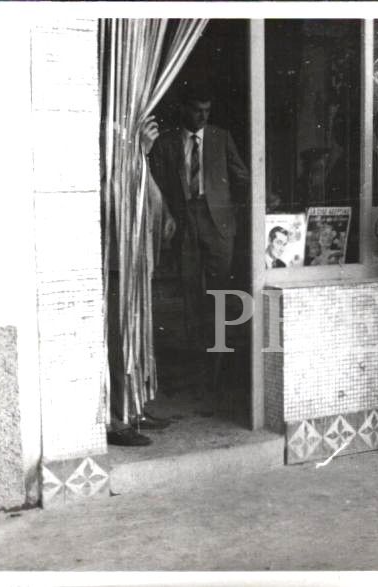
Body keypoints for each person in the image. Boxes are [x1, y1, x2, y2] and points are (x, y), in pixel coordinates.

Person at [148, 82, 250, 399]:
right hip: (184, 222)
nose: (202, 116)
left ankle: (217, 367)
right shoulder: (166, 143)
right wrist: (167, 218)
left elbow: (243, 177)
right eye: (196, 110)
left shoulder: (221, 138)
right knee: (191, 291)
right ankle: (197, 363)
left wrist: (240, 210)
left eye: (207, 111)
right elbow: (155, 184)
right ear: (184, 109)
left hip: (218, 222)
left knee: (220, 292)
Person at [106, 116, 176, 446]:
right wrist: (139, 154)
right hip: (117, 264)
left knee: (135, 338)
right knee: (120, 342)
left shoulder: (130, 152)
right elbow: (115, 197)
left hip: (135, 262)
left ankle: (133, 408)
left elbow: (150, 198)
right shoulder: (107, 149)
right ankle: (117, 419)